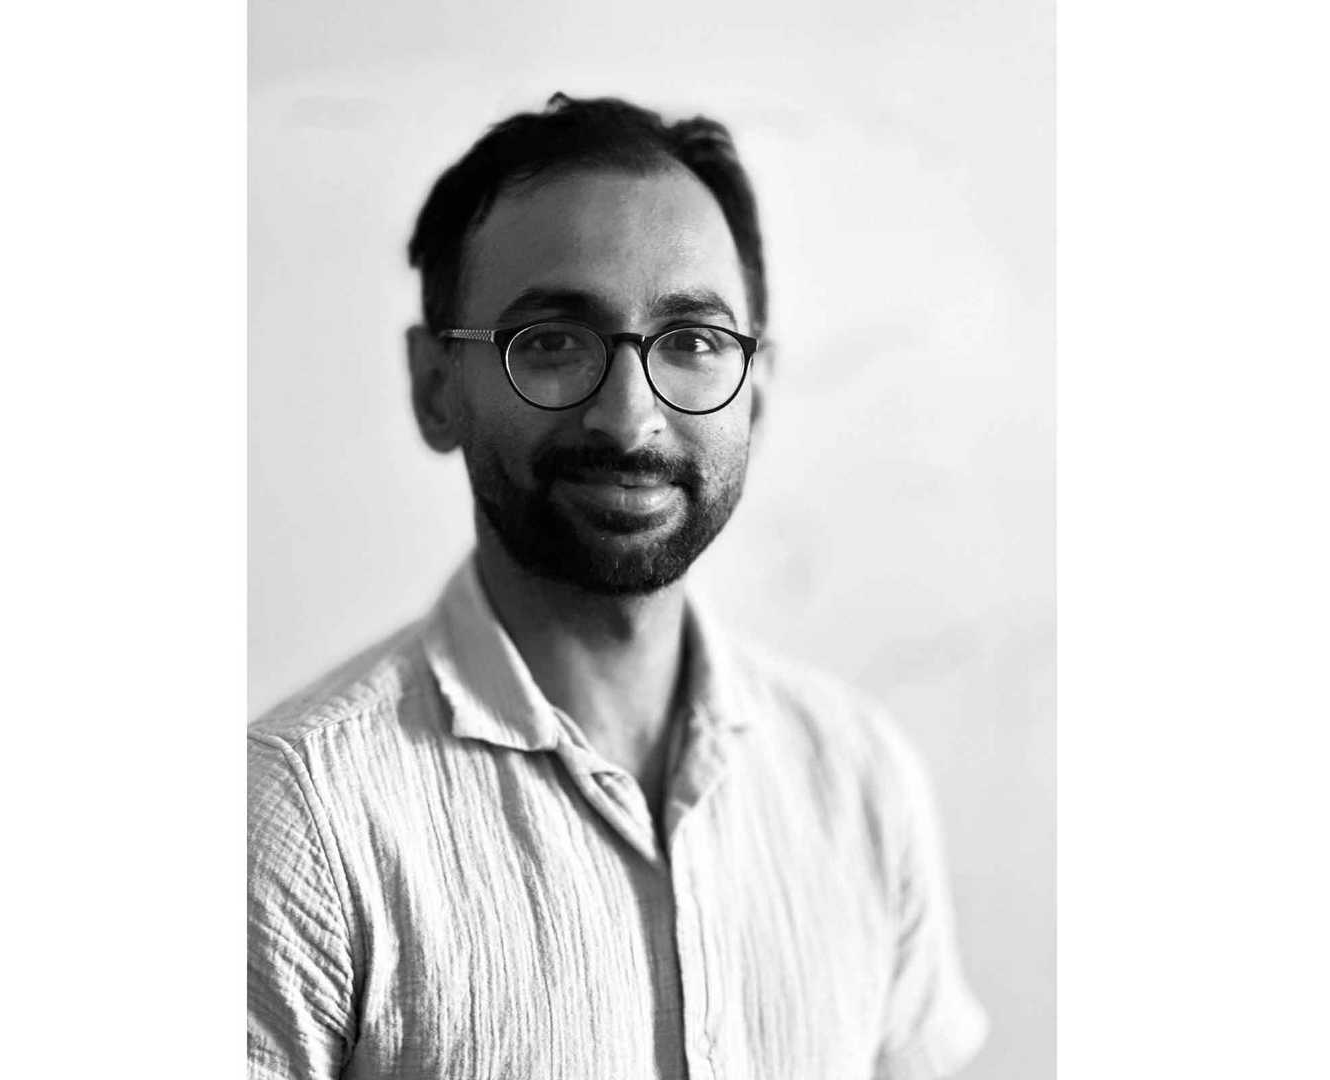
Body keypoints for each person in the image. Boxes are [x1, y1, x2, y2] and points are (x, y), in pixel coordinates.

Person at [248, 92, 987, 1080]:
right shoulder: (298, 820)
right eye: (552, 343)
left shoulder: (858, 780)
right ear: (436, 388)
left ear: (756, 393)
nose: (631, 420)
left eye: (691, 342)